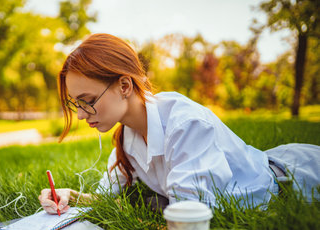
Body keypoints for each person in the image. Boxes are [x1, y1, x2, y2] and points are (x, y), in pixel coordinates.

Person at [39, 33, 319, 214]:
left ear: (124, 85)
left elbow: (188, 217)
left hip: (296, 181)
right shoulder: (127, 135)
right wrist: (69, 196)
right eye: (76, 104)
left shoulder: (185, 126)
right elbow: (103, 197)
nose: (80, 115)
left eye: (87, 101)